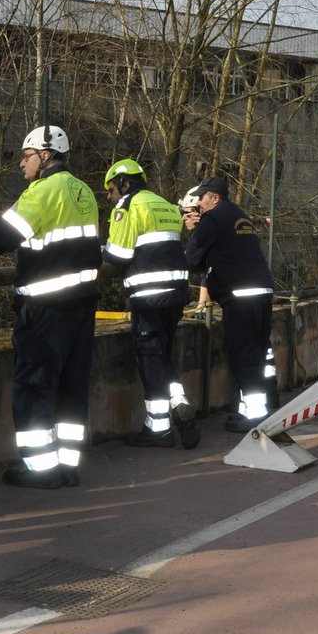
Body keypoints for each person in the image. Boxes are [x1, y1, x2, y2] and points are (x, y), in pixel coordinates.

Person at [0, 125, 100, 489]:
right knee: (72, 387)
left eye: (26, 155)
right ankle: (67, 466)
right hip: (82, 307)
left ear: (45, 156)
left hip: (44, 309)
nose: (22, 163)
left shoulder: (40, 192)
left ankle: (40, 470)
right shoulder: (84, 190)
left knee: (34, 386)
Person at [102, 159, 198, 450]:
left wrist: (100, 252)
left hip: (148, 295)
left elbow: (118, 256)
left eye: (111, 189)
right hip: (176, 294)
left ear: (125, 184)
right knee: (164, 357)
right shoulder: (166, 205)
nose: (109, 196)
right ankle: (180, 403)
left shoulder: (128, 206)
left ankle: (159, 429)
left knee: (150, 359)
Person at [185, 176, 276, 433]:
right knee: (256, 352)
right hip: (262, 291)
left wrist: (195, 231)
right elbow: (226, 252)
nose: (198, 204)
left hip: (240, 296)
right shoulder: (240, 216)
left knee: (242, 354)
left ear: (215, 198)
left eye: (201, 198)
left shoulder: (213, 219)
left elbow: (191, 258)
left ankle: (256, 418)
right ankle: (250, 411)